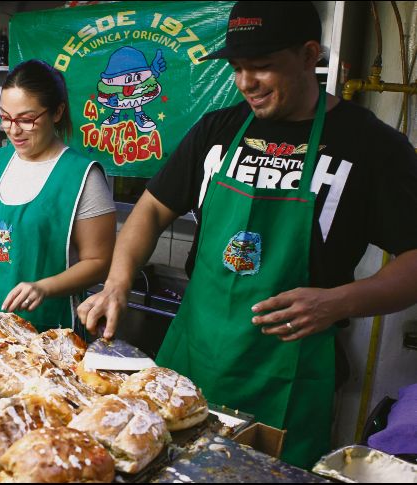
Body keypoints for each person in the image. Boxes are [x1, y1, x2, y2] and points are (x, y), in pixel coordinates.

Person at [78, 1, 417, 469]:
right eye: (237, 67)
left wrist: (339, 302)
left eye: (261, 66)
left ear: (309, 55)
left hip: (286, 376)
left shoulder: (370, 145)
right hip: (191, 359)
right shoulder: (218, 129)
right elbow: (152, 208)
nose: (245, 82)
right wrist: (118, 282)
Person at [0, 59, 116, 332]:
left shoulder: (82, 176)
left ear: (57, 112)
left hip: (47, 332)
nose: (13, 130)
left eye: (26, 120)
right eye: (5, 117)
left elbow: (99, 263)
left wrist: (44, 287)